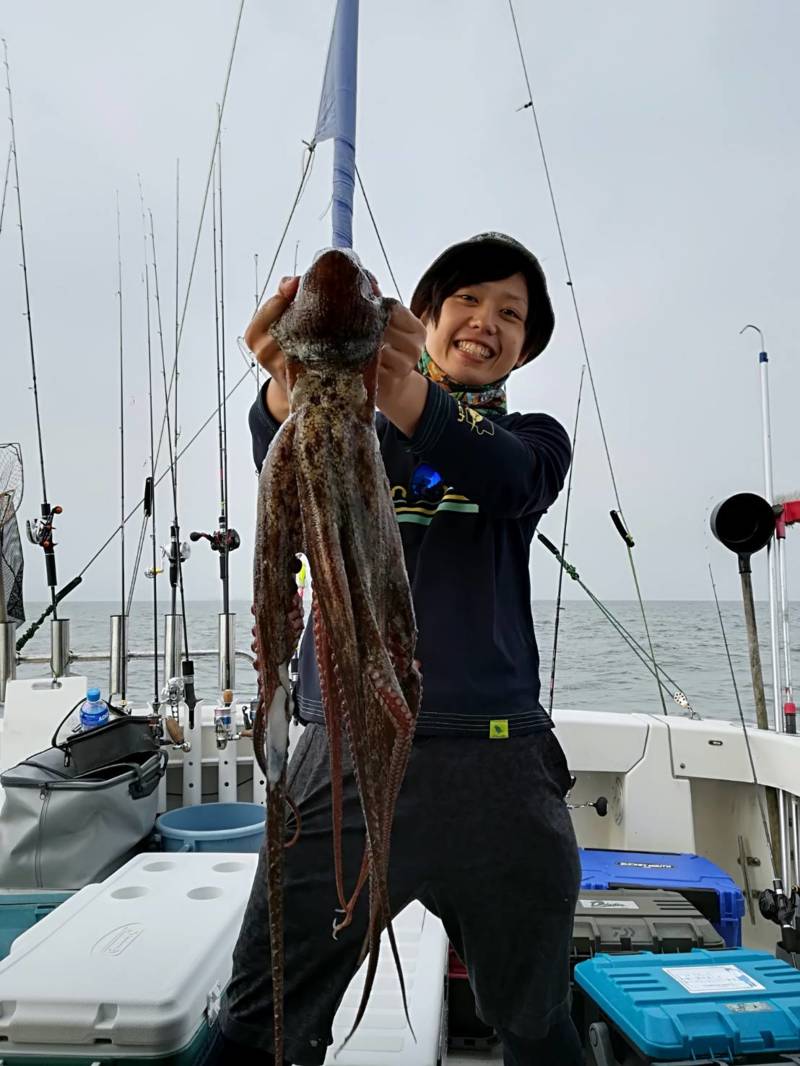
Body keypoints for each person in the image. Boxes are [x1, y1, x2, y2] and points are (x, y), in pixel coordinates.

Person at [215, 233, 582, 1066]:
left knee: (534, 1016)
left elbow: (507, 479)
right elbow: (294, 471)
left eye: (511, 314)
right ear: (424, 317)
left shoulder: (533, 439)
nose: (486, 321)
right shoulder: (361, 434)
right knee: (262, 1013)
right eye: (467, 301)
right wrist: (286, 386)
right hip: (339, 756)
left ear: (525, 344)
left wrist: (407, 389)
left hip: (501, 772)